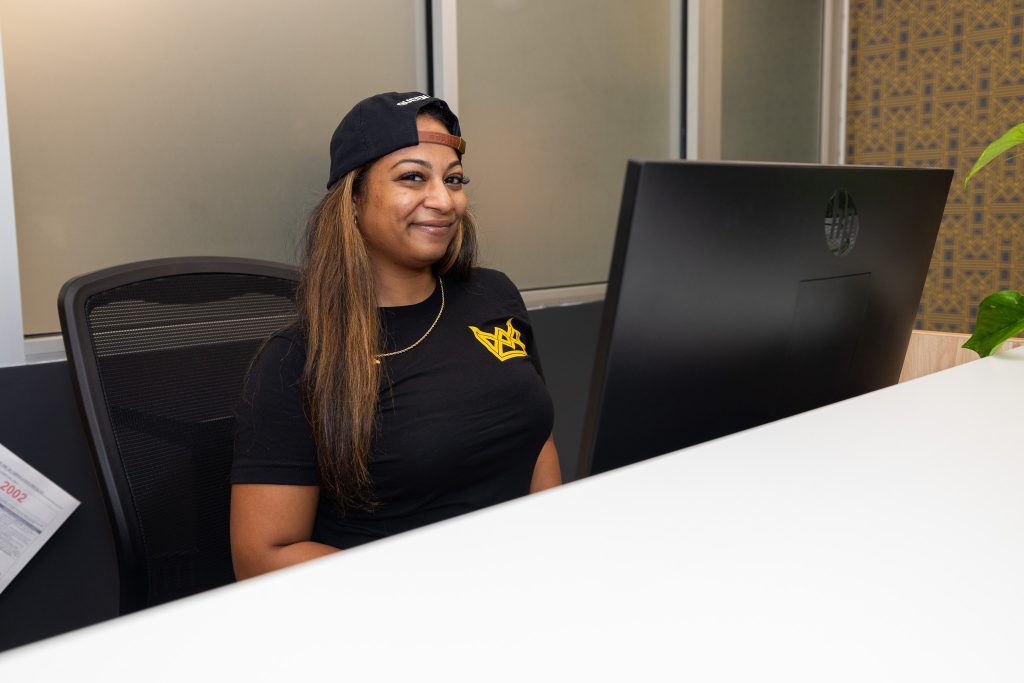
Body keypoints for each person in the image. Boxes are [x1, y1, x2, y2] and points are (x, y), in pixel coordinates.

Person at [230, 91, 561, 579]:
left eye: (453, 180)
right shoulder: (296, 361)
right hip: (392, 615)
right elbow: (264, 556)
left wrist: (556, 542)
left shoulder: (494, 295)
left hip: (521, 582)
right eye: (413, 178)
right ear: (354, 200)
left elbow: (535, 438)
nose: (444, 201)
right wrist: (436, 582)